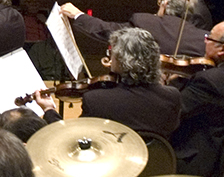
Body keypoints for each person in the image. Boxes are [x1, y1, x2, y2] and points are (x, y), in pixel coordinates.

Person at [34, 27, 181, 140]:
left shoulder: (96, 100)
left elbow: (71, 140)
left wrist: (49, 110)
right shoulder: (172, 97)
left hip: (115, 170)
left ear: (123, 61)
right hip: (158, 168)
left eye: (112, 54)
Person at [61, 0, 207, 56]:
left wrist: (78, 15)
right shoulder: (204, 39)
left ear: (165, 4)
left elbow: (107, 30)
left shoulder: (147, 23)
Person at [170, 21, 224, 177]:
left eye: (209, 38)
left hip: (199, 163)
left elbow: (174, 111)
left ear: (221, 49)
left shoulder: (210, 81)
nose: (205, 41)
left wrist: (170, 84)